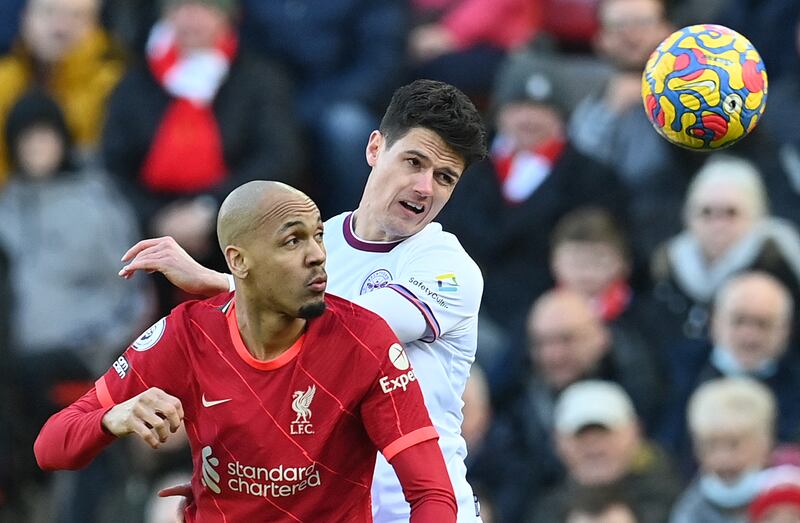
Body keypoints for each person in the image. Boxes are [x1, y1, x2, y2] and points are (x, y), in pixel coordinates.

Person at [119, 79, 488, 522]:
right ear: (375, 149)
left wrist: (220, 282)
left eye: (444, 177)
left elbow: (350, 326)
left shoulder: (448, 269)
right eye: (414, 162)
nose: (425, 187)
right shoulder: (320, 241)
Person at [35, 181, 457, 521]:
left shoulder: (364, 340)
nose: (317, 256)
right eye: (293, 241)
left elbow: (434, 495)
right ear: (238, 261)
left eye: (319, 236)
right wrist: (112, 417)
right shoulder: (188, 334)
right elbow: (50, 447)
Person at [670, 377, 776, 523]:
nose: (722, 459)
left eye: (734, 444)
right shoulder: (690, 512)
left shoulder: (789, 502)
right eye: (710, 446)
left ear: (764, 444)